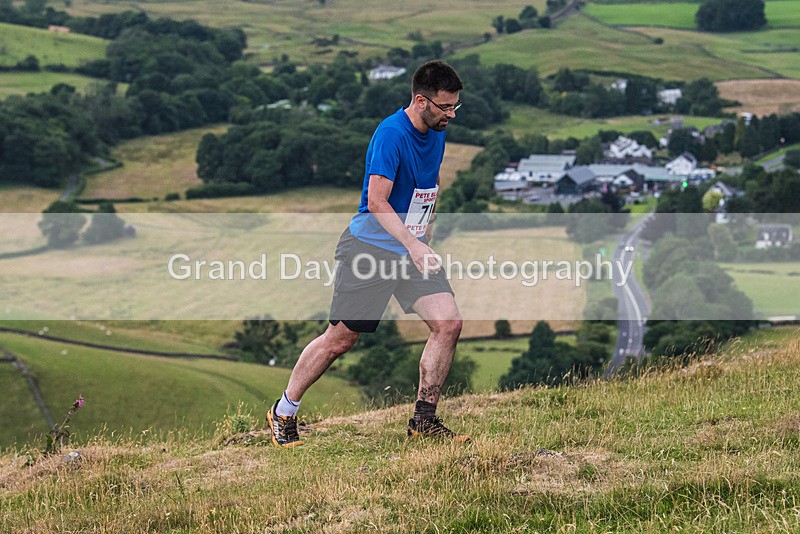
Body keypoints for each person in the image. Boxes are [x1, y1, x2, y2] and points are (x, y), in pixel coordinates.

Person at [267, 60, 468, 447]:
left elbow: (430, 185)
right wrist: (412, 243)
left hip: (411, 250)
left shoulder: (438, 130)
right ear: (421, 100)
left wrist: (425, 235)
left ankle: (424, 420)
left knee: (449, 324)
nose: (452, 115)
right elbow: (377, 201)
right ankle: (284, 411)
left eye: (456, 106)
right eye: (445, 107)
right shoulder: (390, 135)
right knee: (341, 339)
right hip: (370, 249)